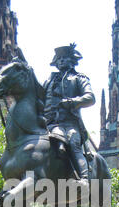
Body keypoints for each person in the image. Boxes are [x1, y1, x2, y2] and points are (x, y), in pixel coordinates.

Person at [43, 43, 96, 186]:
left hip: (70, 123)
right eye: (58, 58)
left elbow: (90, 98)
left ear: (72, 60)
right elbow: (38, 98)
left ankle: (84, 180)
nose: (61, 61)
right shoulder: (49, 80)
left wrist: (72, 102)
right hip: (48, 124)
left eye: (64, 58)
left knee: (73, 143)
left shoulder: (79, 78)